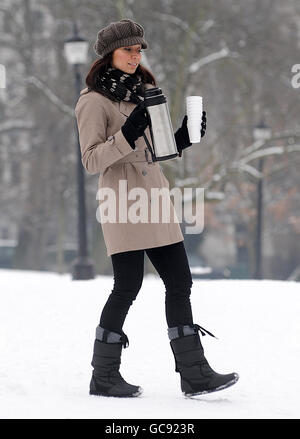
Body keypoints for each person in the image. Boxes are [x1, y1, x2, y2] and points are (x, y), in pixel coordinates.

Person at [75, 18, 239, 398]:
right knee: (127, 285)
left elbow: (158, 150)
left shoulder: (146, 92)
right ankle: (104, 375)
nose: (135, 56)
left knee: (180, 282)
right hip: (123, 201)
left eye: (138, 50)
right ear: (109, 54)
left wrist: (184, 136)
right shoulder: (92, 101)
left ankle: (194, 373)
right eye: (128, 49)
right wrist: (127, 133)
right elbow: (91, 160)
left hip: (155, 198)